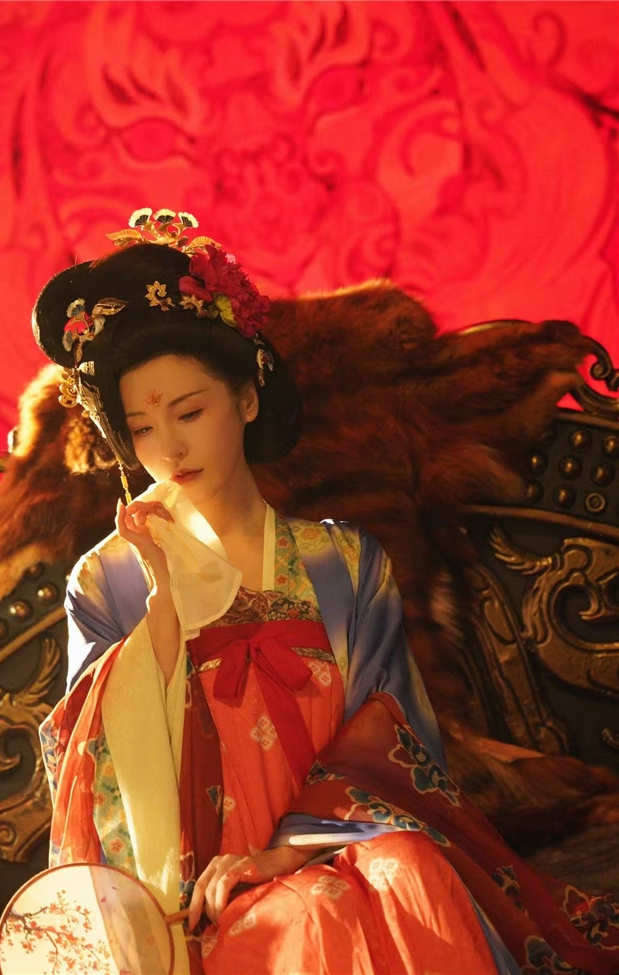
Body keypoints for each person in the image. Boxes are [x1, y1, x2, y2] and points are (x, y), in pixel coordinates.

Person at [33, 209, 617, 975]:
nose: (169, 447)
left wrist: (287, 848)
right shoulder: (109, 577)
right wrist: (163, 615)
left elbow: (398, 735)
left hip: (338, 836)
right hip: (196, 882)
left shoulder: (341, 560)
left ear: (247, 398)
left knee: (412, 869)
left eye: (190, 411)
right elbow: (91, 780)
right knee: (313, 912)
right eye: (141, 427)